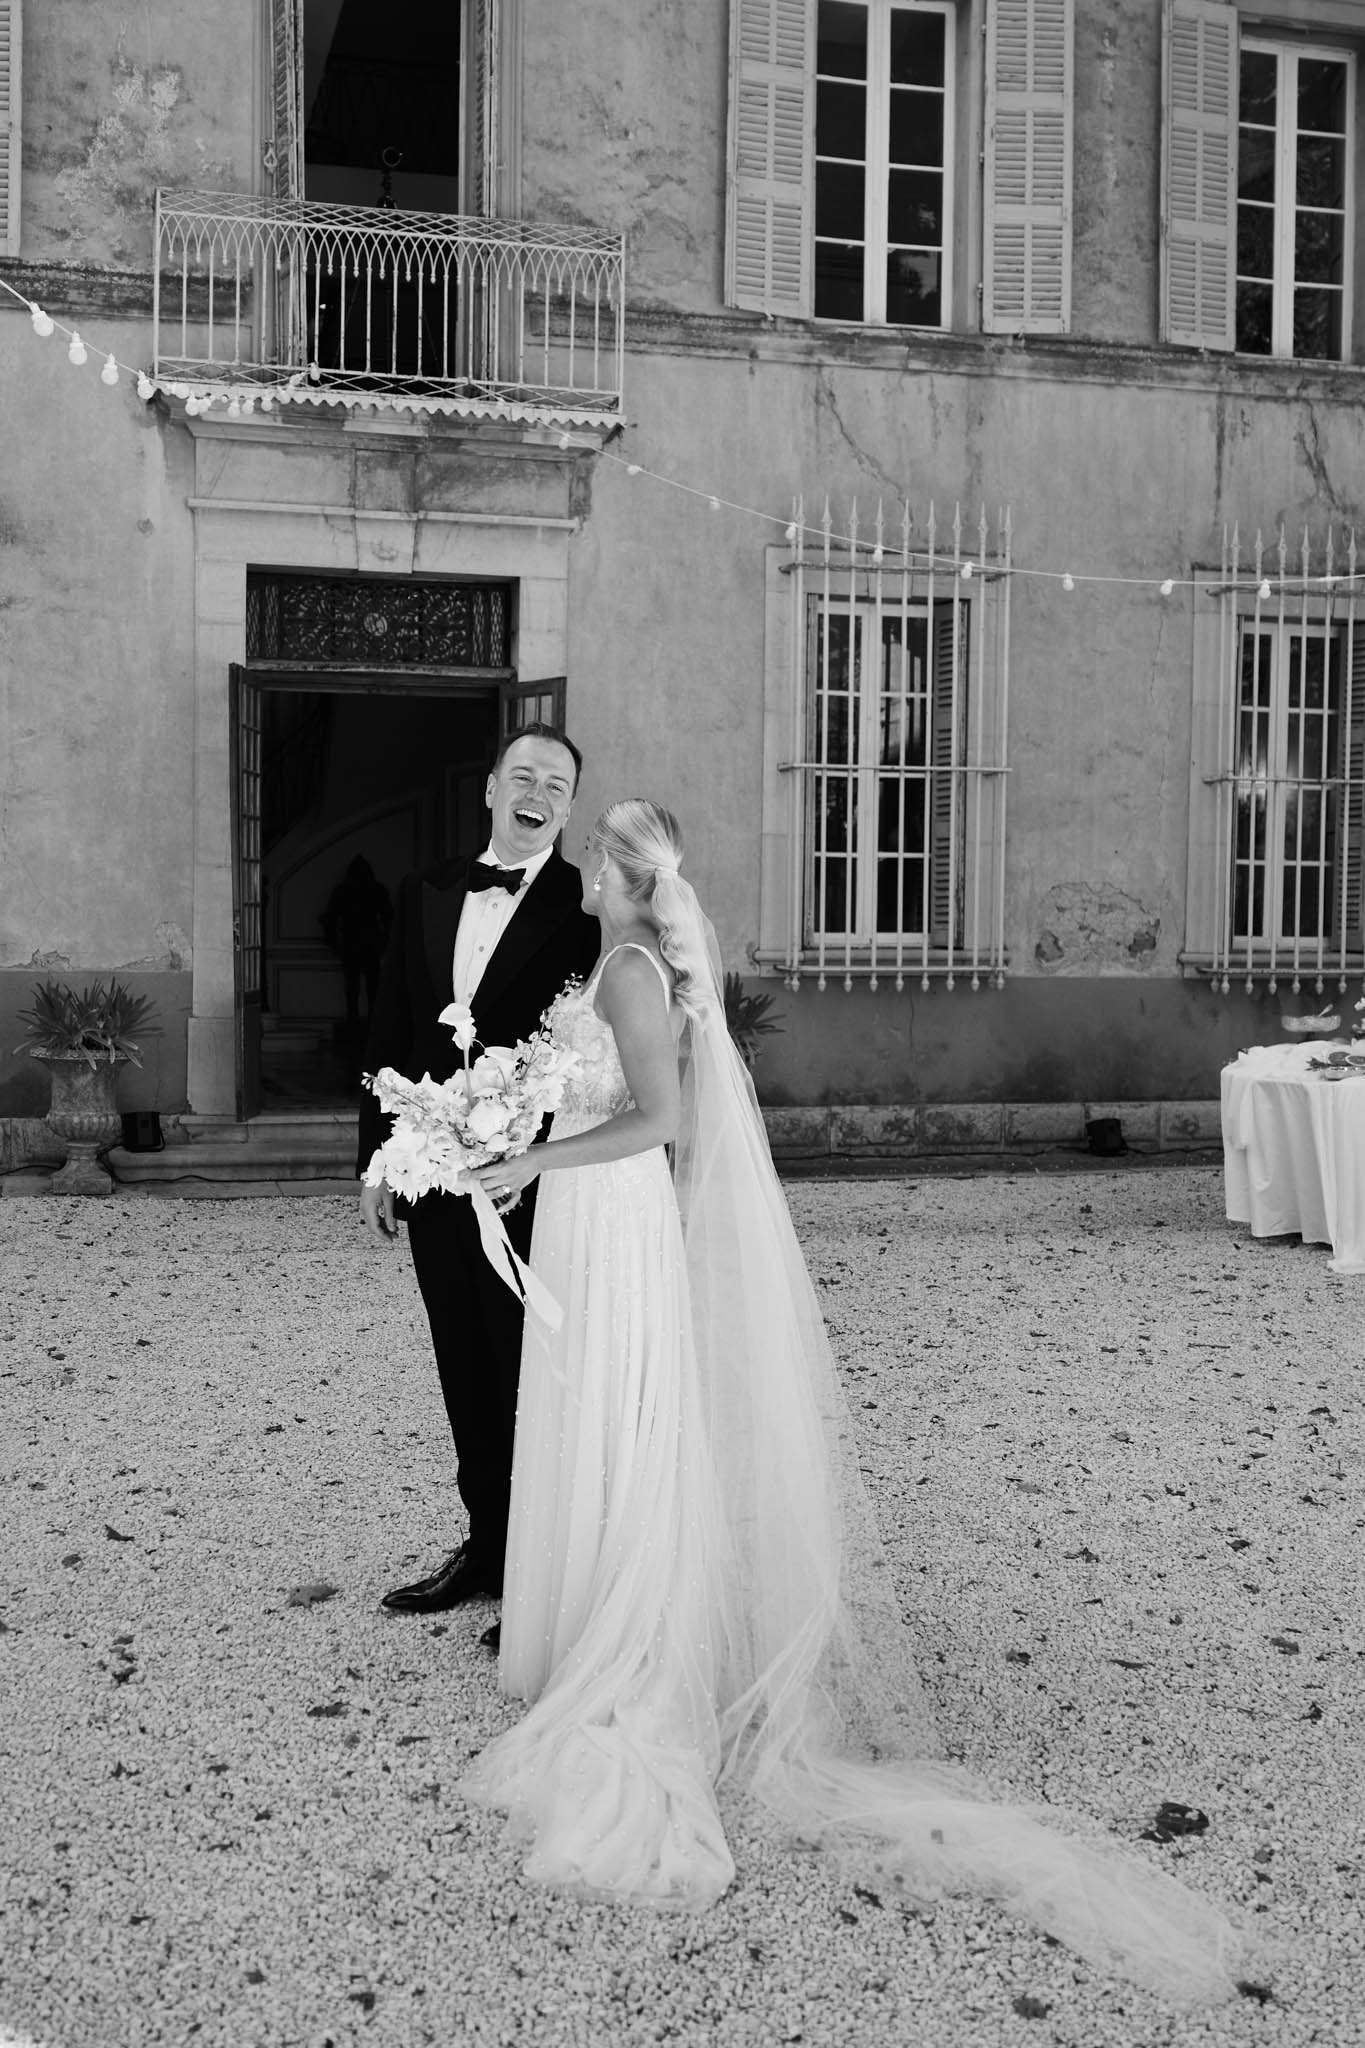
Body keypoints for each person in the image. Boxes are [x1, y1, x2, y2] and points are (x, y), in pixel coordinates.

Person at [461, 799, 1253, 2004]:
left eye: (588, 853)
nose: (572, 862)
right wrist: (518, 1115)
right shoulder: (622, 959)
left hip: (609, 1215)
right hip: (596, 1214)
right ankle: (585, 1604)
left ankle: (611, 1630)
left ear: (619, 876)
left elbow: (660, 1122)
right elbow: (603, 1088)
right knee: (606, 1409)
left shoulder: (624, 965)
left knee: (612, 1401)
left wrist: (531, 1155)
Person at [357, 725, 600, 1619]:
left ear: (568, 809)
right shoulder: (422, 891)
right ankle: (488, 1549)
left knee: (535, 1368)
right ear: (491, 788)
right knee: (462, 1359)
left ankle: (551, 1570)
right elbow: (387, 1030)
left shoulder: (592, 906)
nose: (538, 792)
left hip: (539, 1181)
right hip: (431, 1172)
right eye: (524, 774)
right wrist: (377, 1162)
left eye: (559, 785)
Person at [321, 854, 392, 1036]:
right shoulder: (375, 890)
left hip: (353, 942)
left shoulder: (344, 891)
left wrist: (334, 943)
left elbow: (330, 919)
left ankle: (357, 1019)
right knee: (369, 986)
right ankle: (369, 1020)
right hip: (366, 942)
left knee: (355, 987)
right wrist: (385, 941)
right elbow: (388, 918)